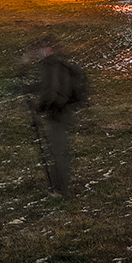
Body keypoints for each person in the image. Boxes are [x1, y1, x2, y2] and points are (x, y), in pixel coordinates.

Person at [31, 34, 89, 196]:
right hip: (63, 111)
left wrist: (40, 108)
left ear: (47, 49)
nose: (37, 53)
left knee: (58, 152)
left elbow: (51, 90)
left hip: (58, 112)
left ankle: (61, 189)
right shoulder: (59, 63)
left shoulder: (52, 65)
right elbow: (47, 86)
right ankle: (59, 186)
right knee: (58, 151)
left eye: (39, 50)